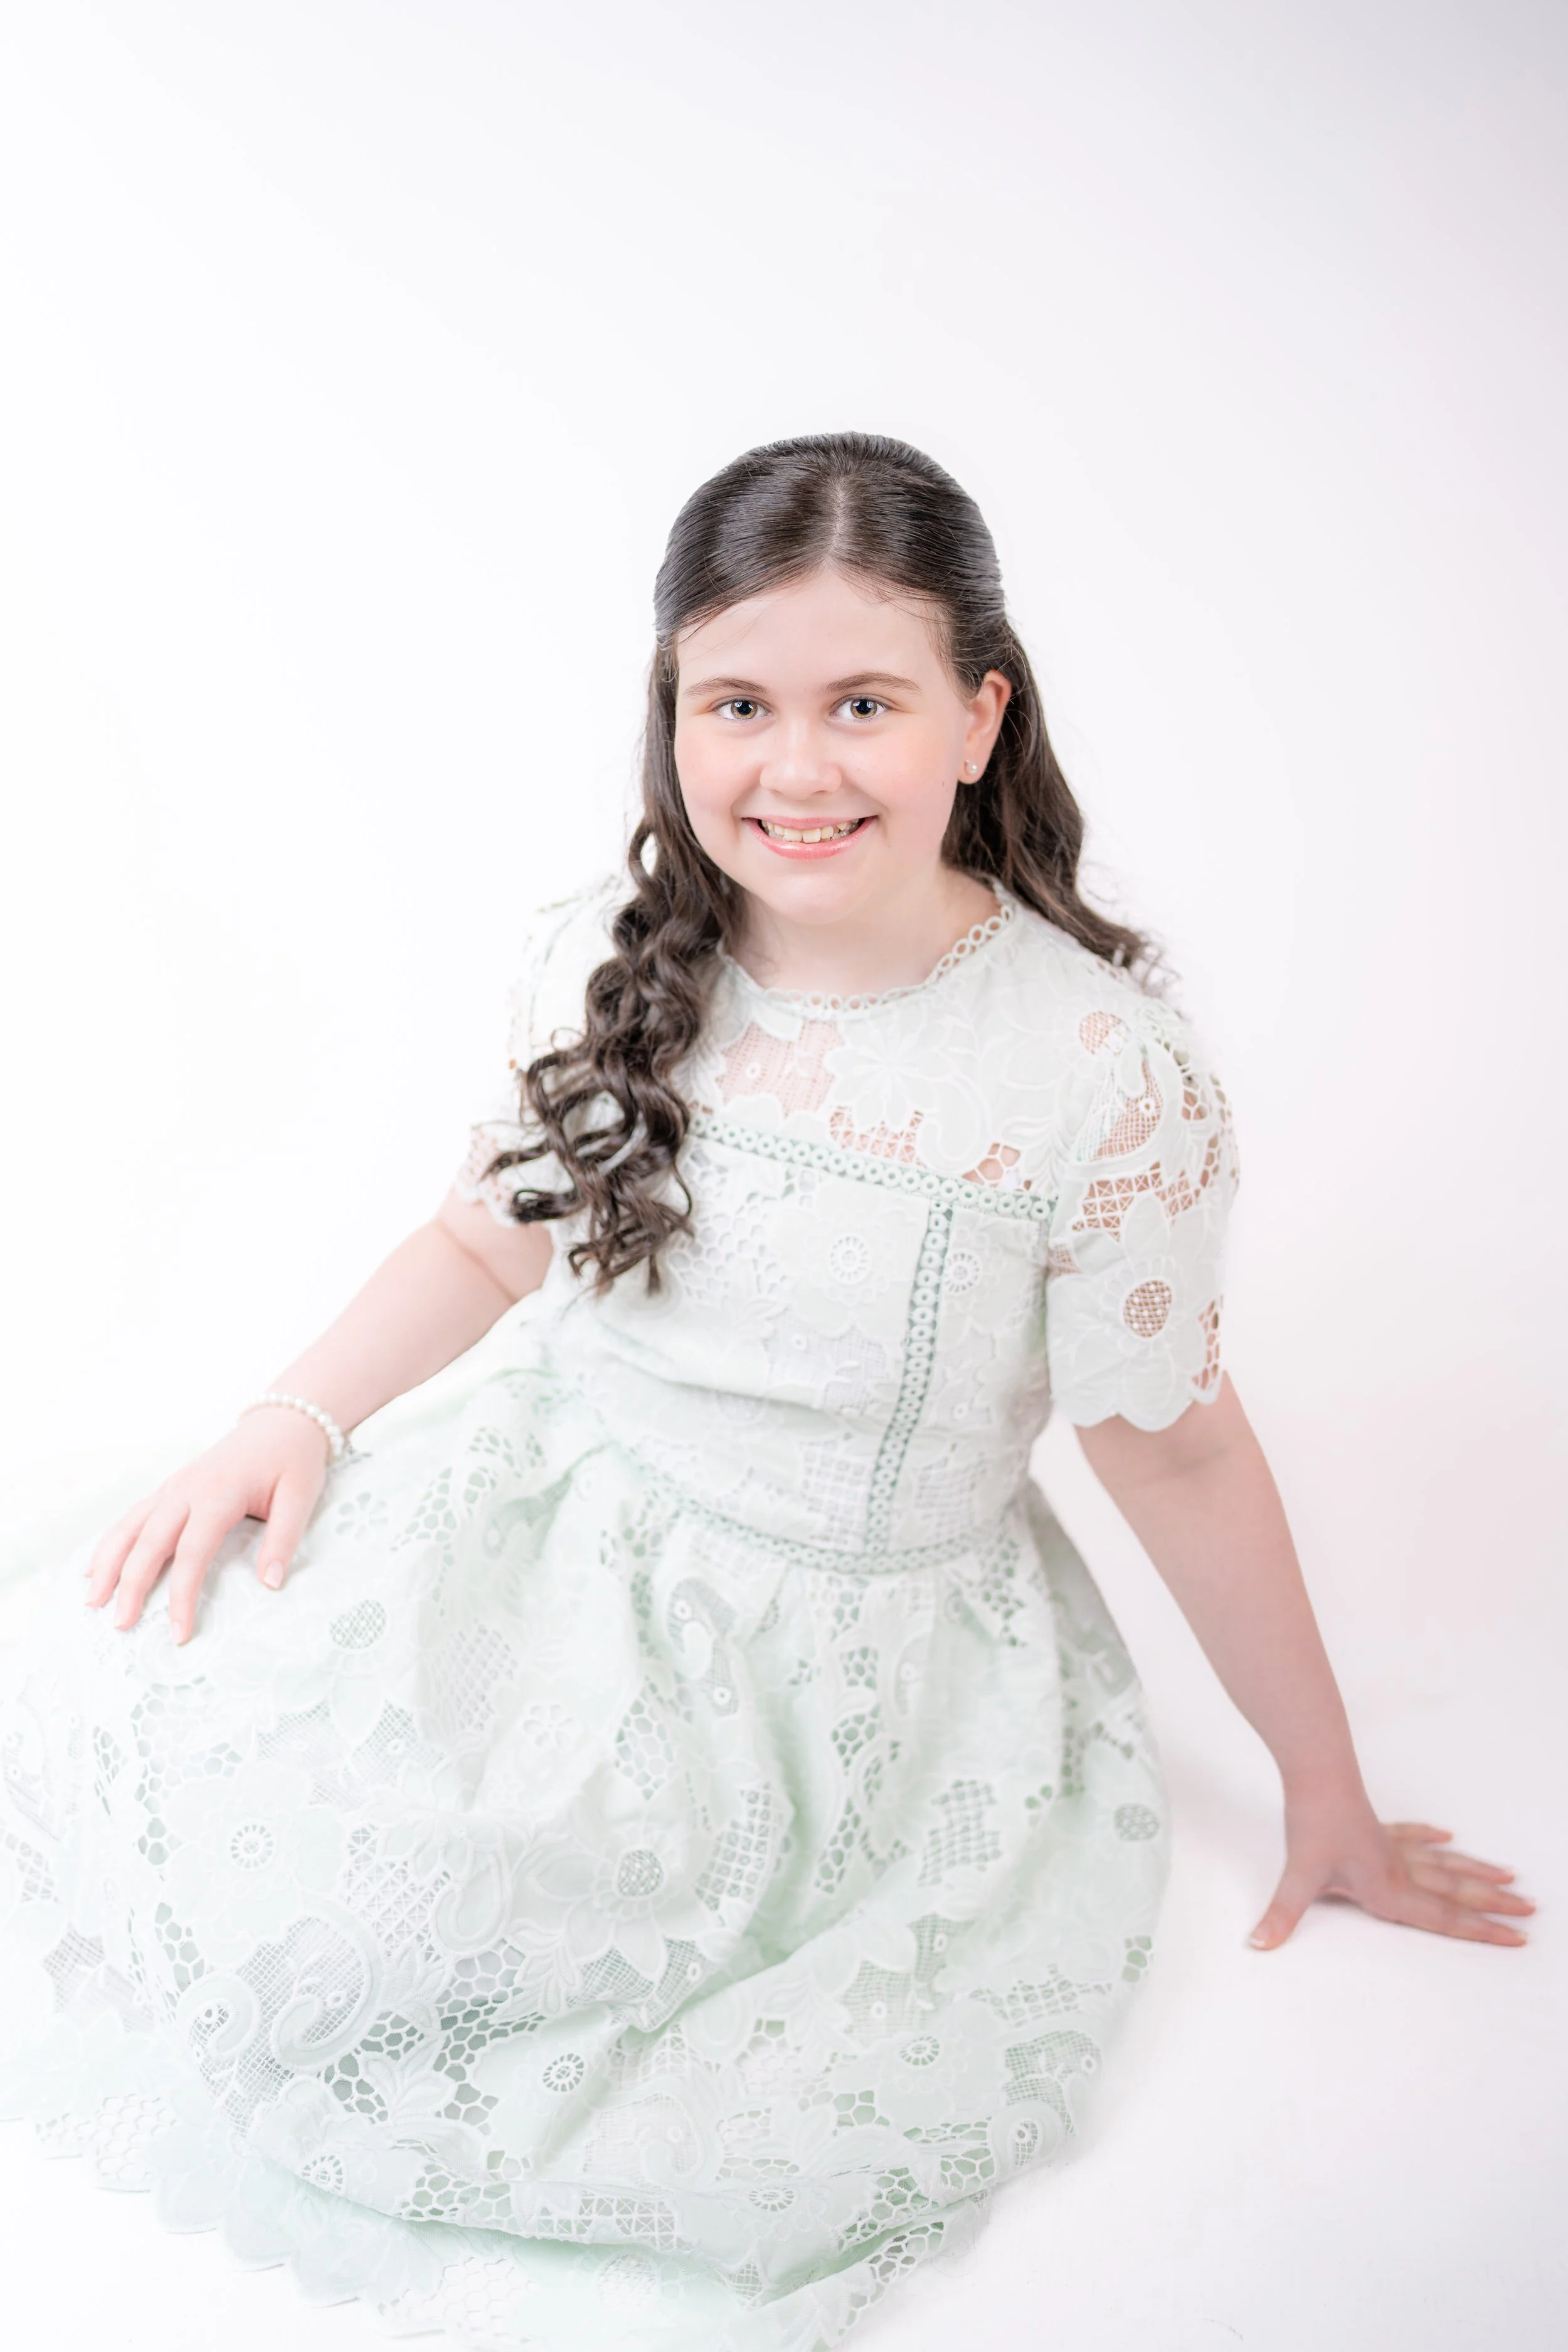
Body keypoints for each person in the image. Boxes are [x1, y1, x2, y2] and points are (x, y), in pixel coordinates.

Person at [0, 433, 1529, 2351]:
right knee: (175, 1735)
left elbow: (1179, 1444)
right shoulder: (614, 951)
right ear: (673, 711)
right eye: (738, 703)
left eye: (862, 704)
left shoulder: (1092, 1074)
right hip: (554, 1519)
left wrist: (1331, 1794)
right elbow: (490, 1239)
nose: (793, 769)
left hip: (828, 1650)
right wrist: (291, 1415)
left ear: (978, 718)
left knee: (552, 1988)